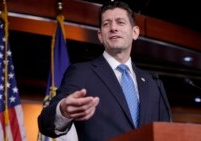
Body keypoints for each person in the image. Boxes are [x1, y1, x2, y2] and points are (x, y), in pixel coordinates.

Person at [38, 1, 171, 141]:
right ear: (100, 36)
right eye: (107, 24)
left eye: (120, 22)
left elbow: (166, 132)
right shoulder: (81, 73)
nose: (113, 28)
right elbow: (45, 123)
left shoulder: (153, 83)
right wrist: (62, 111)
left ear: (135, 32)